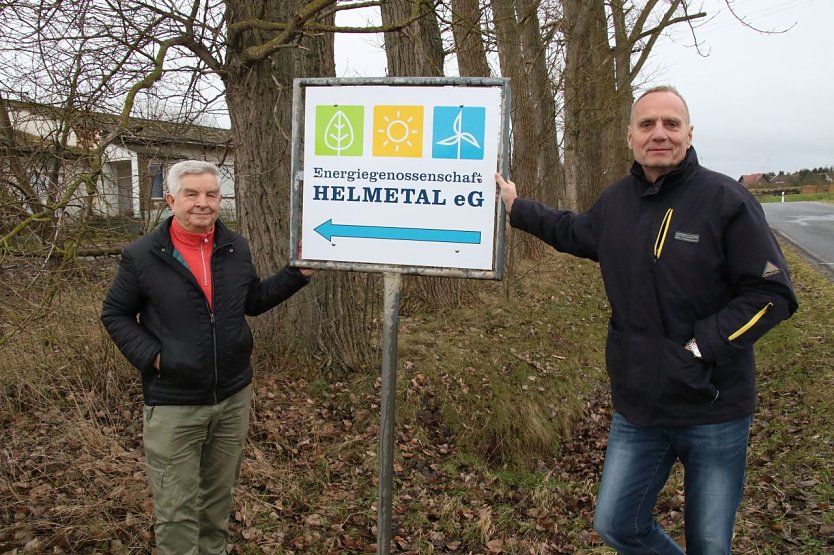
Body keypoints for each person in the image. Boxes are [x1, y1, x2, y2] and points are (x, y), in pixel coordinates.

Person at [496, 85, 798, 554]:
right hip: (639, 409)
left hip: (714, 408)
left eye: (671, 124)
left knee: (710, 544)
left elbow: (772, 294)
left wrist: (702, 346)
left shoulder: (726, 200)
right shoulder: (617, 202)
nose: (659, 133)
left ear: (689, 134)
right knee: (617, 524)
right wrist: (519, 207)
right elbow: (575, 231)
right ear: (631, 137)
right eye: (647, 124)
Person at [101, 160, 314, 554]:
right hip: (174, 404)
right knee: (177, 514)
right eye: (192, 194)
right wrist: (156, 358)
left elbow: (251, 302)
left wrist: (296, 274)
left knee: (217, 506)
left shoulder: (235, 247)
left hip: (232, 397)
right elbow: (114, 313)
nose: (203, 203)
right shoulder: (143, 255)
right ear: (170, 200)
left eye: (211, 194)